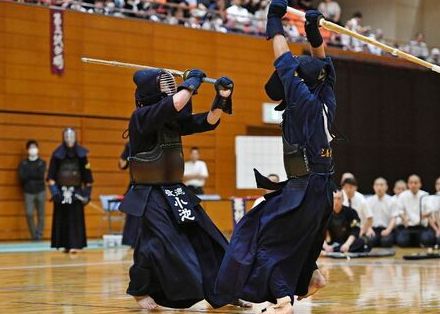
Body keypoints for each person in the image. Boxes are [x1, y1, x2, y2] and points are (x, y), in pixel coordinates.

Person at [215, 3, 337, 312]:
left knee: (262, 235)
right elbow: (326, 66)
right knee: (300, 243)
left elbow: (282, 57)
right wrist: (312, 31)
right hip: (321, 190)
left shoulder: (302, 100)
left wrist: (273, 21)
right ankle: (311, 275)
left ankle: (283, 297)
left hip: (304, 188)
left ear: (299, 81)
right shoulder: (326, 97)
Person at [118, 67, 240, 309]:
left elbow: (207, 121)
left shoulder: (169, 118)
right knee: (160, 244)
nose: (169, 88)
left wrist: (221, 97)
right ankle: (140, 291)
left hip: (174, 190)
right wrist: (192, 83)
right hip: (149, 192)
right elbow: (174, 103)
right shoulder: (141, 117)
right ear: (150, 91)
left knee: (208, 237)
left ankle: (223, 289)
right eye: (164, 85)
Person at [47, 128, 93, 253]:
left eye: (71, 137)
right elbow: (50, 177)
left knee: (75, 218)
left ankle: (75, 244)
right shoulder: (57, 155)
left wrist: (87, 194)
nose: (69, 139)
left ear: (75, 138)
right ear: (63, 138)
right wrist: (55, 193)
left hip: (76, 191)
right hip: (61, 192)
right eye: (67, 137)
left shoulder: (82, 156)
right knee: (62, 218)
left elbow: (88, 177)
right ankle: (63, 244)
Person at [395, 174, 435, 247]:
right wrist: (404, 218)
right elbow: (399, 211)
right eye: (411, 183)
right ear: (408, 184)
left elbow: (430, 210)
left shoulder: (425, 195)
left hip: (421, 227)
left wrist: (424, 215)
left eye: (416, 183)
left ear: (420, 184)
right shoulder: (403, 195)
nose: (413, 185)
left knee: (427, 240)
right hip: (407, 227)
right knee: (402, 242)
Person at [18, 140, 47, 240]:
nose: (33, 149)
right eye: (31, 147)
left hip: (41, 190)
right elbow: (22, 176)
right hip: (28, 191)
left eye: (34, 147)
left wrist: (30, 174)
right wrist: (32, 175)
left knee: (41, 214)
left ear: (37, 149)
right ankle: (34, 234)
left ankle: (39, 234)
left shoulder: (42, 163)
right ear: (27, 150)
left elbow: (40, 175)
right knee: (29, 213)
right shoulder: (23, 163)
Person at [119, 142, 141, 248]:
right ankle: (132, 240)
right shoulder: (130, 145)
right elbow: (122, 164)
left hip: (151, 182)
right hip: (135, 184)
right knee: (133, 213)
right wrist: (127, 157)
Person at [366, 178, 396, 247]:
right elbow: (366, 217)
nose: (379, 187)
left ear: (386, 187)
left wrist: (388, 230)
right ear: (374, 187)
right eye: (377, 185)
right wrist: (369, 229)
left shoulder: (392, 201)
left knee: (386, 242)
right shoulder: (368, 201)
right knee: (370, 241)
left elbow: (393, 218)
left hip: (386, 229)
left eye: (382, 185)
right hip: (373, 229)